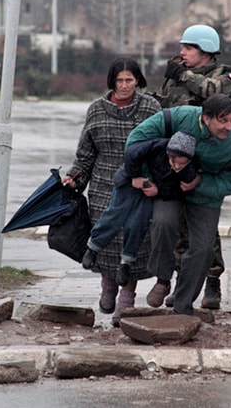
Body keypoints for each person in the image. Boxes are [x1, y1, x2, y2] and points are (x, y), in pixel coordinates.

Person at [126, 94, 231, 316]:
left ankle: (183, 304)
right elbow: (136, 141)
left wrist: (201, 183)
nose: (229, 127)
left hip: (205, 195)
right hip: (167, 186)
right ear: (206, 118)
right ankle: (163, 278)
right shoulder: (178, 117)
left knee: (203, 247)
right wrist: (144, 176)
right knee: (164, 223)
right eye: (223, 121)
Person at [62, 57, 161, 325]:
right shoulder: (96, 110)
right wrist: (73, 177)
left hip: (139, 186)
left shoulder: (151, 108)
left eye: (130, 80)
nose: (125, 85)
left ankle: (126, 301)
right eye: (120, 80)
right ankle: (108, 287)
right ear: (112, 82)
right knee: (105, 241)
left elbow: (159, 151)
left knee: (135, 242)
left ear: (138, 80)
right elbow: (86, 154)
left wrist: (153, 182)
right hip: (104, 186)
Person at [156, 24, 231, 310]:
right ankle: (184, 283)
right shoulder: (176, 76)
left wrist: (183, 75)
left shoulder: (224, 75)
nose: (182, 53)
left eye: (188, 48)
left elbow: (213, 93)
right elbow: (165, 109)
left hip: (207, 159)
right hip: (177, 159)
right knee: (180, 225)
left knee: (205, 226)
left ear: (205, 51)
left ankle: (212, 281)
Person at [80, 131, 198, 287]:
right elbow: (131, 153)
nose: (176, 166)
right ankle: (93, 247)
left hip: (150, 192)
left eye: (181, 164)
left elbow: (179, 191)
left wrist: (159, 191)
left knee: (137, 224)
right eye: (173, 160)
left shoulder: (188, 170)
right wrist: (135, 176)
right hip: (129, 181)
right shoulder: (157, 146)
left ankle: (126, 263)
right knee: (114, 215)